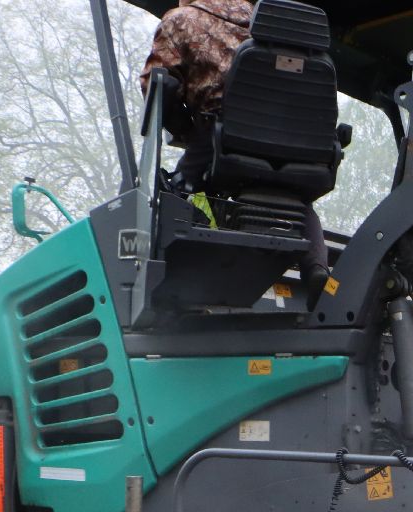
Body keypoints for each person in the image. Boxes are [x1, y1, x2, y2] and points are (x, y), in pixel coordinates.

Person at [140, 0, 330, 301]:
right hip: (297, 143)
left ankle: (179, 275)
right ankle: (317, 267)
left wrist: (184, 130)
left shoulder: (180, 20)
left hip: (225, 136)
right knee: (298, 201)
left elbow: (157, 87)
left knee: (177, 187)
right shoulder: (264, 23)